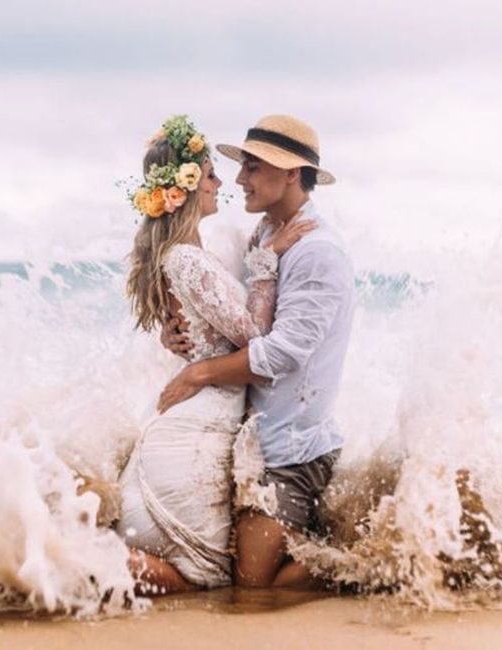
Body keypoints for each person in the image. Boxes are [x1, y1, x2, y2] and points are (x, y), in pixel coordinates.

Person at [119, 115, 315, 595]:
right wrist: (270, 259)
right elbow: (255, 333)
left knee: (205, 578)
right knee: (204, 579)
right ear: (183, 189)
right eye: (209, 175)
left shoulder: (190, 254)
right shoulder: (186, 258)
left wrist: (262, 246)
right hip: (193, 435)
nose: (220, 182)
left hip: (195, 423)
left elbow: (213, 314)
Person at [157, 115, 355, 589]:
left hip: (289, 453)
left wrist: (200, 373)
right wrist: (177, 331)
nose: (239, 179)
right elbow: (242, 319)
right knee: (234, 578)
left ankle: (365, 556)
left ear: (290, 174)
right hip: (258, 443)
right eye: (241, 166)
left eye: (252, 167)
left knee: (252, 590)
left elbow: (282, 353)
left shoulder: (316, 251)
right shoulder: (268, 233)